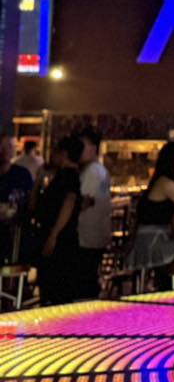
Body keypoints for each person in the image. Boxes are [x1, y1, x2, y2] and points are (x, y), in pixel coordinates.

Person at [34, 135, 82, 305]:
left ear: (64, 154)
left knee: (55, 286)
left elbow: (68, 203)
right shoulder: (67, 176)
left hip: (60, 240)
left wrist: (54, 234)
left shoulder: (67, 177)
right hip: (62, 237)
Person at [75, 126, 112, 299]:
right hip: (96, 234)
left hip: (86, 235)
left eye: (82, 146)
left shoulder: (91, 172)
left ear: (93, 148)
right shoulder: (100, 170)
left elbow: (85, 201)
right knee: (89, 278)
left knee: (84, 281)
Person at [0, 138, 35, 264]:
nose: (6, 150)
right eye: (2, 146)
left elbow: (31, 202)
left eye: (10, 146)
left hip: (17, 237)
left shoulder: (22, 174)